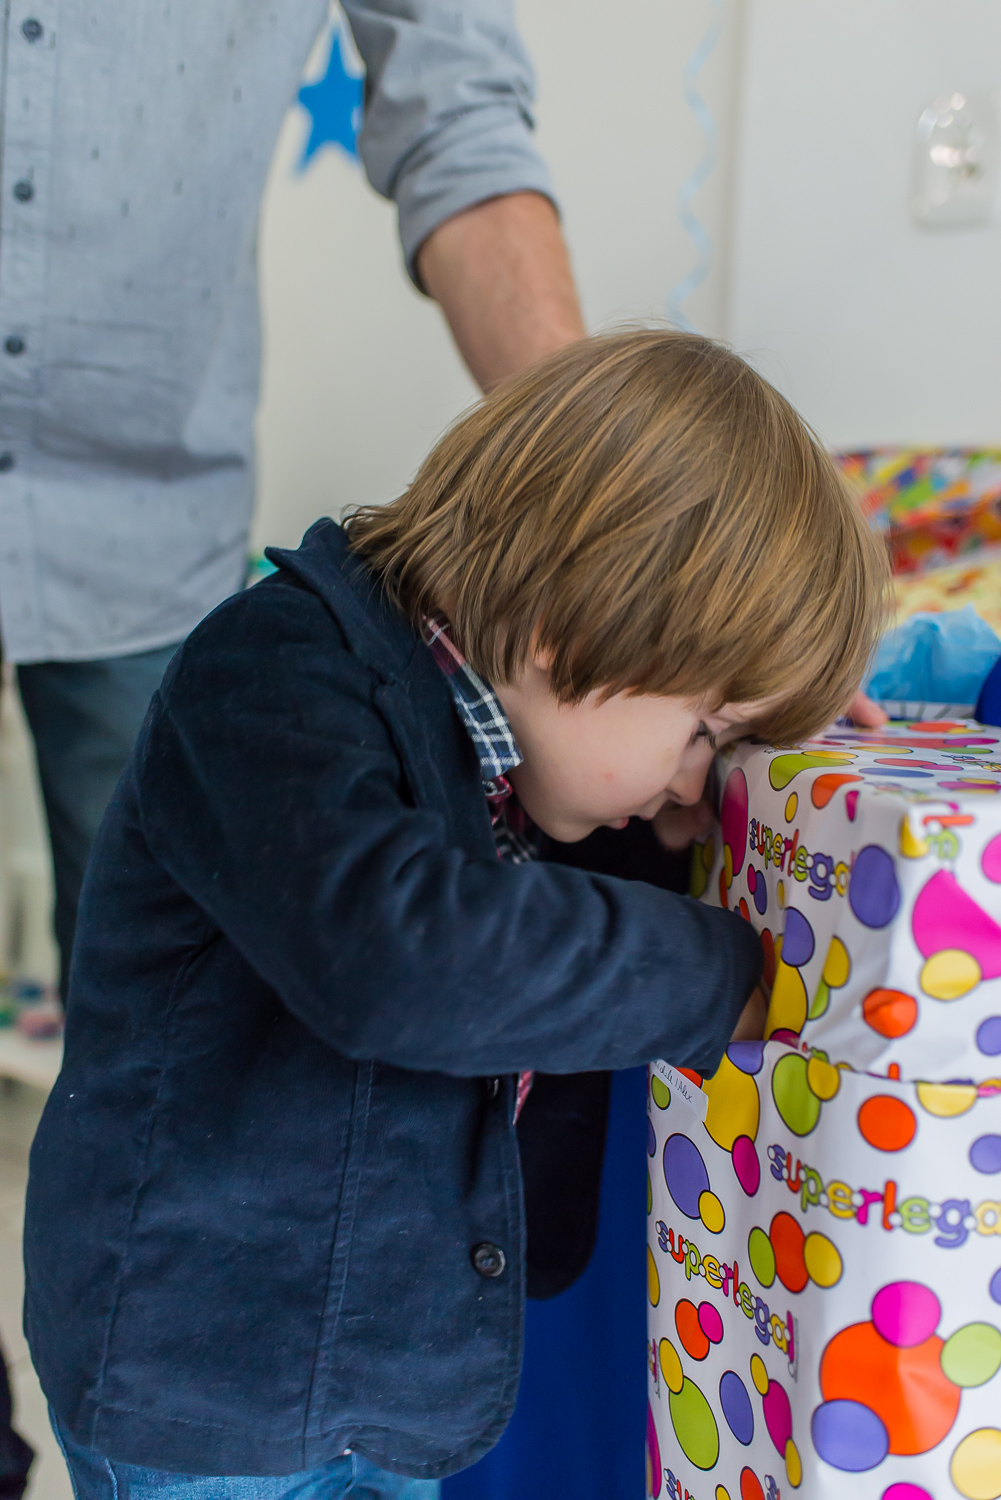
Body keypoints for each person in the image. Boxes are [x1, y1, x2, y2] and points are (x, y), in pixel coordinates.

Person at [23, 330, 887, 1499]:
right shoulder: (273, 671)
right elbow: (402, 956)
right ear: (568, 628)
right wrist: (714, 972)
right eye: (703, 735)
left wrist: (740, 764)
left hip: (395, 1377)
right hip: (205, 1390)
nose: (697, 781)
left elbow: (540, 879)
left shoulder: (534, 743)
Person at [0, 6, 581, 1488]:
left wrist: (608, 501)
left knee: (204, 1062)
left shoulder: (276, 675)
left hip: (144, 516)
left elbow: (458, 107)